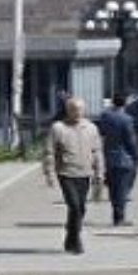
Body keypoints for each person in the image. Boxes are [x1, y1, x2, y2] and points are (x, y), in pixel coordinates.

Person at [42, 96, 104, 255]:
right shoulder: (58, 128)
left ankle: (70, 235)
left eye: (80, 109)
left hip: (85, 173)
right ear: (68, 110)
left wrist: (99, 173)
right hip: (66, 172)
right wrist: (49, 173)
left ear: (84, 110)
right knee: (75, 206)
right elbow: (49, 152)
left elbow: (97, 152)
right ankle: (76, 242)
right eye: (74, 109)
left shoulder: (91, 128)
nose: (77, 112)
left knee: (81, 209)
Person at [97, 92, 138, 227]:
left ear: (113, 102)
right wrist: (136, 154)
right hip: (124, 158)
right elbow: (130, 141)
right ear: (126, 102)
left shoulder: (105, 117)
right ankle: (119, 218)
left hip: (109, 157)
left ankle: (116, 214)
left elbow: (102, 133)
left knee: (113, 188)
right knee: (123, 188)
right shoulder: (126, 119)